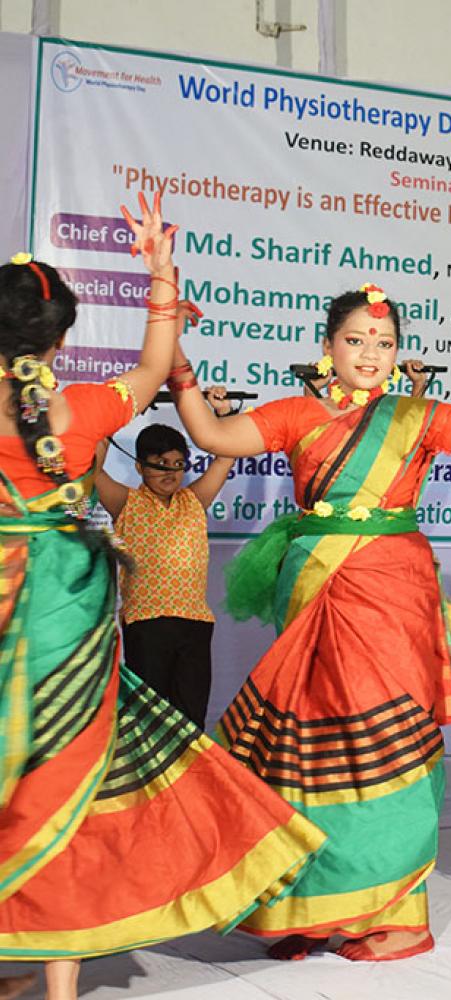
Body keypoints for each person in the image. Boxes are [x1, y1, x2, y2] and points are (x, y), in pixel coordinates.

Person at [169, 259, 451, 961]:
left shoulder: (413, 417)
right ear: (328, 346)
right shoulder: (296, 414)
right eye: (355, 340)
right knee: (306, 746)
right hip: (314, 588)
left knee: (384, 744)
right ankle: (313, 906)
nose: (370, 354)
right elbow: (214, 437)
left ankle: (398, 916)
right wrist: (172, 349)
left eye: (383, 342)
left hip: (391, 595)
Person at [0, 197, 324, 999]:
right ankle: (61, 982)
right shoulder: (80, 410)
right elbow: (152, 372)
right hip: (68, 606)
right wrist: (160, 276)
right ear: (60, 339)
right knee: (69, 784)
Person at [94, 349, 234, 729]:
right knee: (148, 723)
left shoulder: (194, 499)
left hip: (194, 626)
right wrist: (118, 414)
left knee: (190, 722)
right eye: (160, 464)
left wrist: (221, 415)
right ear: (140, 466)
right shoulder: (125, 502)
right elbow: (92, 469)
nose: (171, 473)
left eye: (177, 464)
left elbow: (225, 457)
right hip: (146, 625)